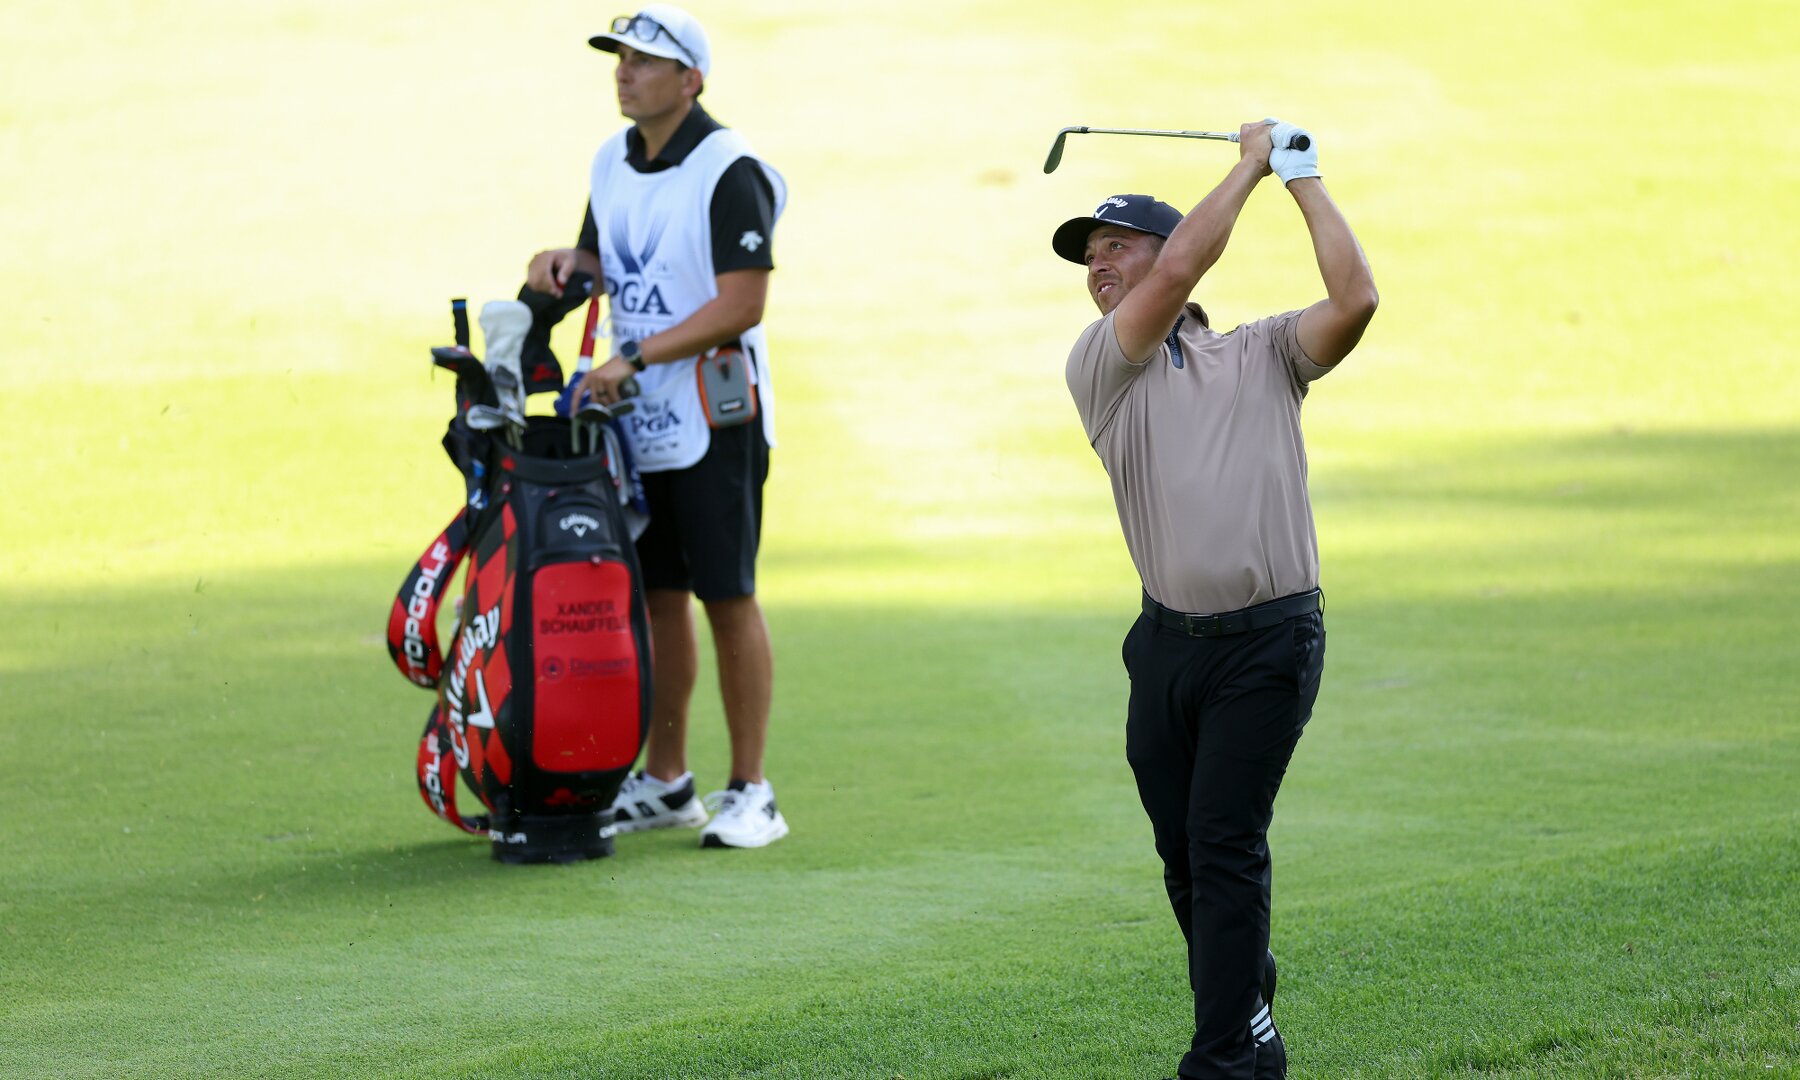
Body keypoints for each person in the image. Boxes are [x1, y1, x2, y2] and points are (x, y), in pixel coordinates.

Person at [1057, 120, 1378, 1079]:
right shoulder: (1104, 363)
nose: (1100, 265)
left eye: (1117, 246)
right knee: (1186, 861)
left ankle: (1226, 1059)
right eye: (1090, 255)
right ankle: (1249, 1001)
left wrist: (1298, 174)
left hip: (1271, 640)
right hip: (1164, 649)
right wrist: (1247, 159)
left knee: (1224, 839)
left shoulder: (1266, 351)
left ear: (1168, 246)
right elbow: (1175, 277)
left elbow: (1355, 298)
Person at [526, 4, 789, 849]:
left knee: (726, 592)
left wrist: (632, 358)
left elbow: (741, 302)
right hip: (637, 419)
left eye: (643, 60)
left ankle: (753, 789)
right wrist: (564, 270)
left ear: (691, 79)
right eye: (619, 58)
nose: (623, 71)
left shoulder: (728, 167)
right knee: (657, 596)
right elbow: (606, 259)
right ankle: (669, 781)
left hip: (716, 414)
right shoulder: (612, 158)